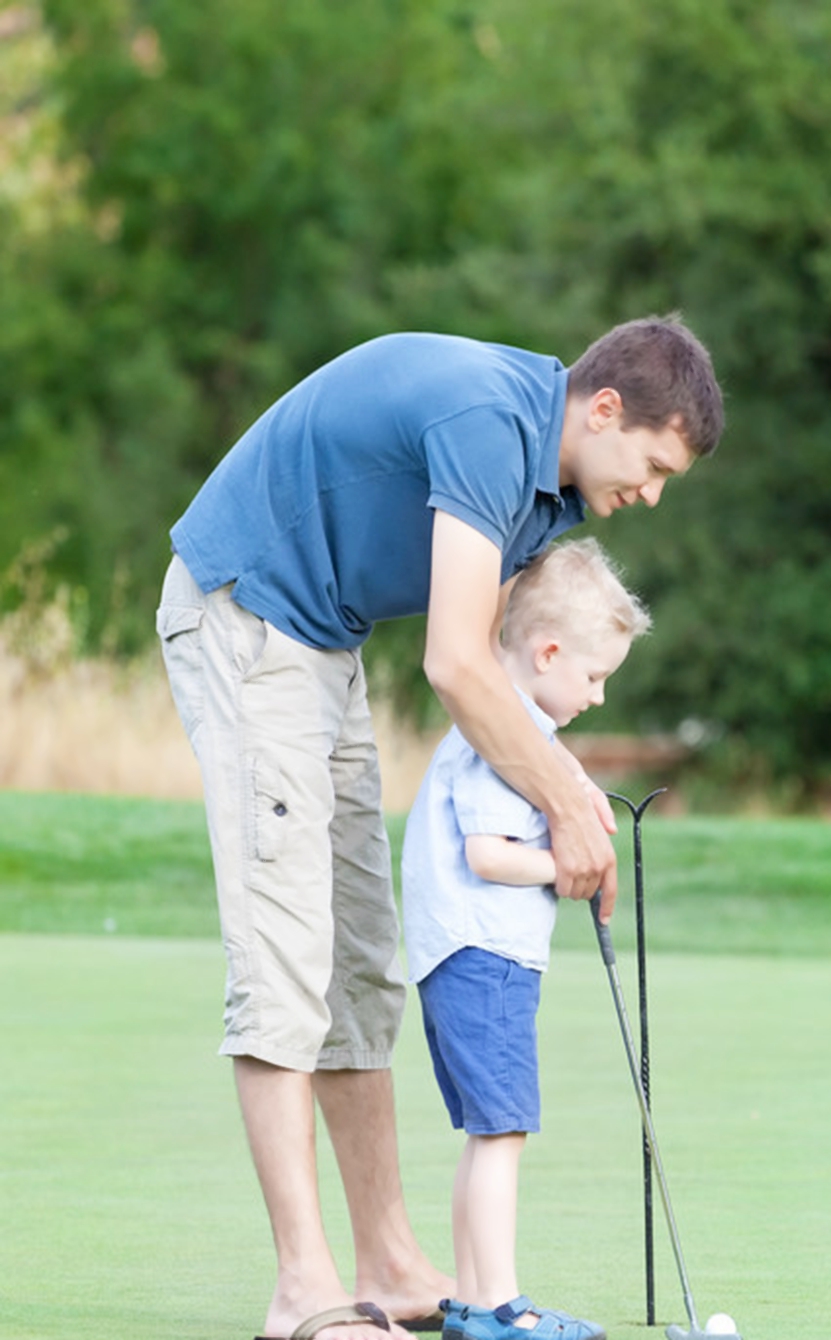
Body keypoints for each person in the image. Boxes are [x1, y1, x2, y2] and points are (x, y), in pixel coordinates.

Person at [156, 316, 724, 1340]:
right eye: (649, 464)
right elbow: (456, 663)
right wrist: (559, 797)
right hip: (244, 613)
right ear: (603, 410)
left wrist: (571, 787)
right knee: (288, 952)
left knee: (363, 961)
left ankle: (391, 1260)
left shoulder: (544, 497)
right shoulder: (491, 427)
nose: (649, 493)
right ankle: (302, 1288)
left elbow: (505, 678)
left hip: (321, 642)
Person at [402, 538, 647, 1340]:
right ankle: (504, 1306)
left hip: (466, 956)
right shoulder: (500, 738)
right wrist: (562, 862)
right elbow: (487, 855)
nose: (599, 697)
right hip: (484, 957)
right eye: (593, 676)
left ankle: (474, 1304)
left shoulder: (511, 732)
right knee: (503, 1130)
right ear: (546, 653)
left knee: (486, 1134)